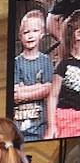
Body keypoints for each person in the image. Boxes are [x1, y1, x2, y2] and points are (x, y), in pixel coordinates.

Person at [14, 10, 53, 140]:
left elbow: (48, 88)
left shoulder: (45, 61)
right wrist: (38, 87)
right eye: (26, 32)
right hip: (18, 128)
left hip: (39, 127)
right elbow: (15, 92)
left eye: (35, 31)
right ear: (20, 36)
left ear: (42, 34)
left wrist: (24, 94)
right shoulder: (16, 62)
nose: (30, 36)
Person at [47, 14, 80, 138]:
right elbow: (53, 96)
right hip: (66, 120)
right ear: (78, 34)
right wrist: (51, 126)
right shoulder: (65, 64)